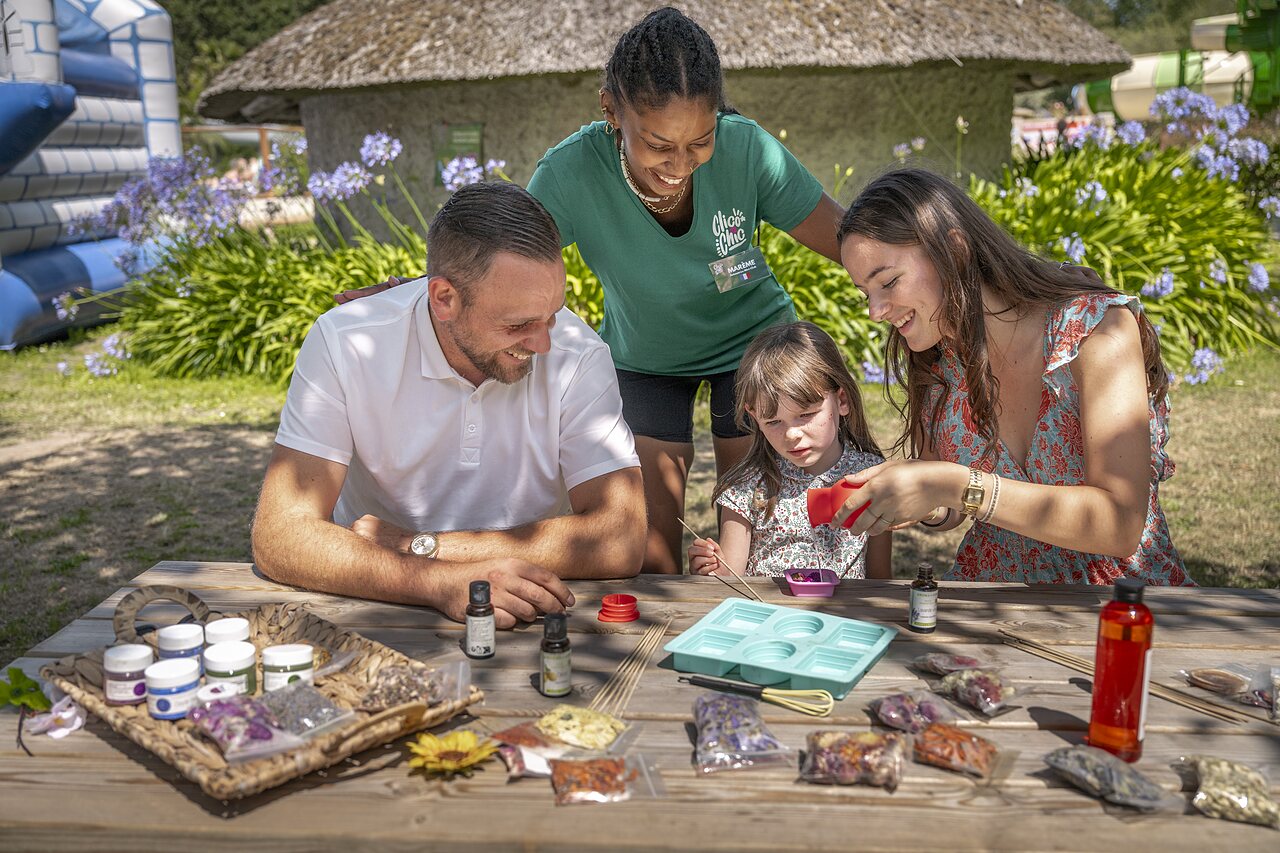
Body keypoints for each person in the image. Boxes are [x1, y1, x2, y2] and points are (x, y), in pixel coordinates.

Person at [341, 8, 845, 574]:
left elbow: (847, 239)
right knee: (652, 543)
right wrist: (407, 292)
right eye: (658, 145)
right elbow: (498, 260)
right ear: (611, 109)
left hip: (755, 351)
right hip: (647, 356)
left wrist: (925, 267)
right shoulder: (570, 172)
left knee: (756, 528)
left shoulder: (749, 150)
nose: (681, 165)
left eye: (700, 143)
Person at [253, 182, 647, 629]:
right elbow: (281, 533)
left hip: (530, 611)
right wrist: (436, 582)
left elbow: (621, 537)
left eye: (553, 314)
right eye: (518, 324)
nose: (543, 343)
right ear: (443, 299)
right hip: (370, 606)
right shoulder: (347, 341)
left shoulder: (578, 354)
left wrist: (427, 546)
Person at [832, 168, 1191, 586]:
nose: (875, 311)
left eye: (888, 282)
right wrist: (921, 497)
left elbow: (1119, 524)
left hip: (1118, 606)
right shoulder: (937, 362)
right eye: (865, 293)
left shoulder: (1095, 331)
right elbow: (948, 500)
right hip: (993, 605)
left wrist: (954, 484)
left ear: (955, 249)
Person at [687, 322, 892, 580]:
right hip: (766, 617)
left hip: (844, 618)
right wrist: (711, 569)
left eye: (805, 415)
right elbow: (731, 581)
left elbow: (881, 581)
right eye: (773, 421)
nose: (791, 434)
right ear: (754, 416)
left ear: (841, 400)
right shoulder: (746, 486)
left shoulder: (872, 479)